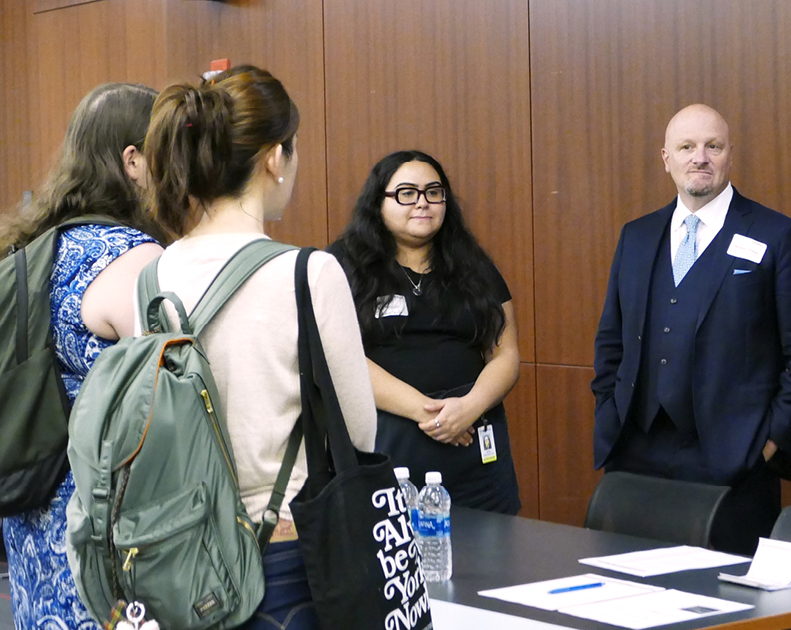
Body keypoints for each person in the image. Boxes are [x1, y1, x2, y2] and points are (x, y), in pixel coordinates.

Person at [144, 65, 376, 630]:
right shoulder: (308, 272)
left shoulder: (152, 275)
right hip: (284, 550)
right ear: (275, 158)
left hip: (183, 555)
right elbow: (358, 432)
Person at [592, 104, 791, 554]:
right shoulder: (637, 236)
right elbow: (612, 339)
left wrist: (771, 442)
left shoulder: (778, 236)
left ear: (729, 155)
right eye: (686, 147)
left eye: (713, 146)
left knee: (725, 605)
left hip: (733, 460)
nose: (699, 157)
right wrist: (609, 410)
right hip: (635, 456)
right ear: (666, 158)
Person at [0, 83, 163, 630]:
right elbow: (174, 397)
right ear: (134, 161)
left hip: (31, 508)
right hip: (103, 524)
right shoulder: (130, 258)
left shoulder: (27, 248)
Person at [328, 150, 521, 514]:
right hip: (389, 443)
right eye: (406, 193)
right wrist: (429, 413)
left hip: (473, 440)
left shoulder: (473, 263)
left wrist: (470, 406)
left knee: (493, 552)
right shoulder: (342, 265)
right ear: (378, 202)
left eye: (434, 192)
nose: (422, 203)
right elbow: (340, 359)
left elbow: (506, 353)